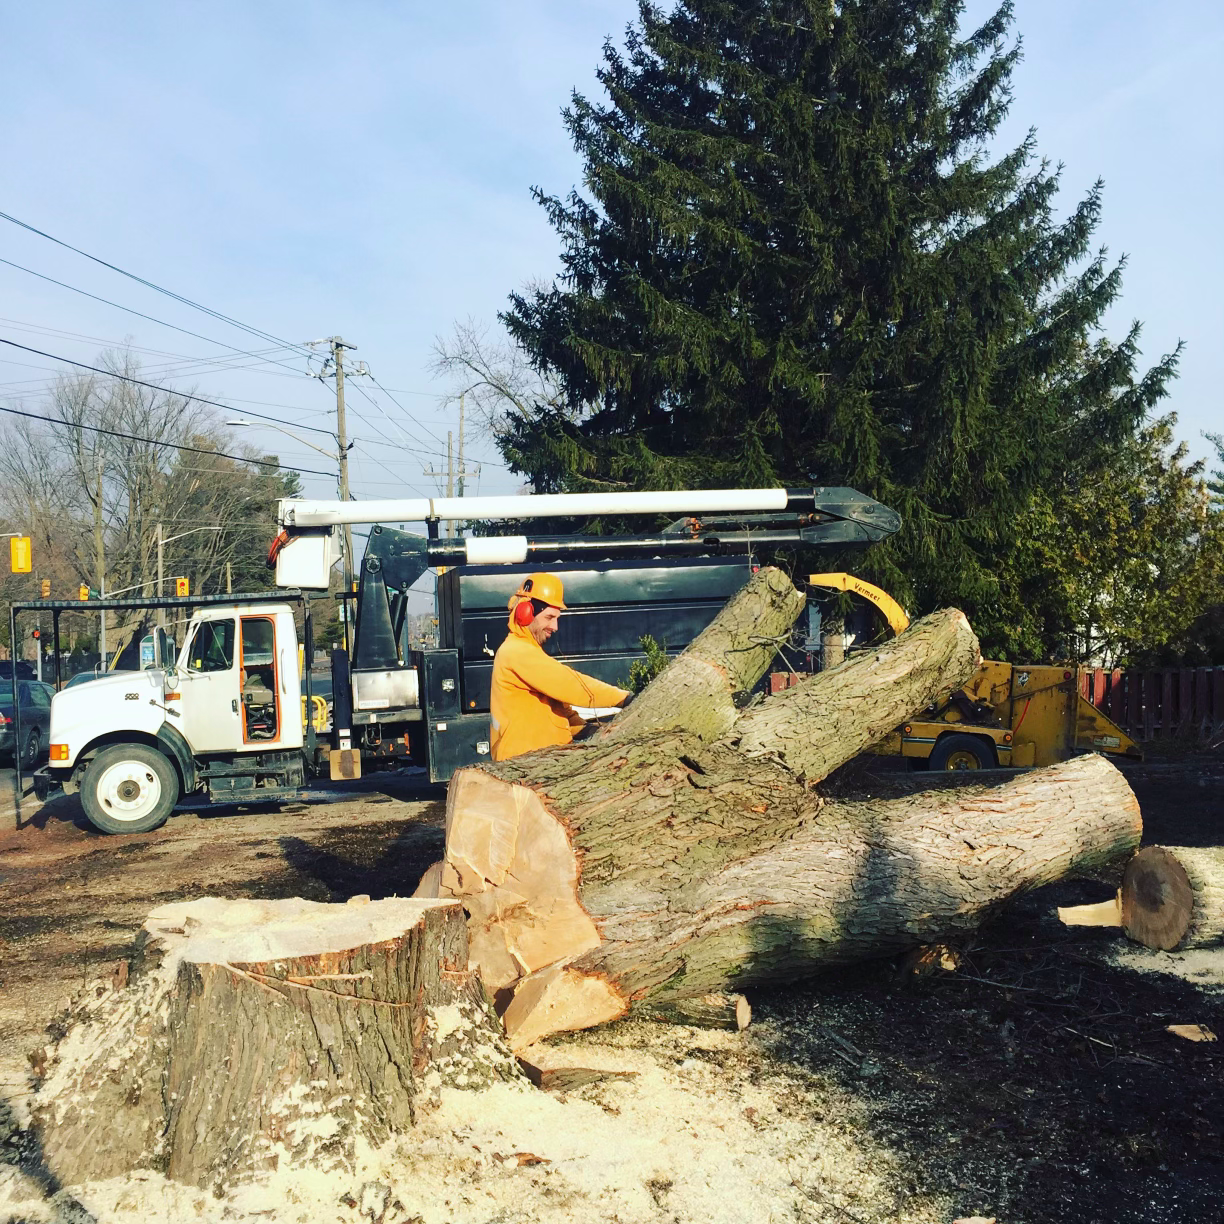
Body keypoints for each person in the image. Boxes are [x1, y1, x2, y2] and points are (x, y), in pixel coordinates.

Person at [489, 571, 631, 761]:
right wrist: (624, 698)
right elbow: (569, 684)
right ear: (525, 614)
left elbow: (555, 705)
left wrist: (584, 729)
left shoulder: (528, 651)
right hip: (523, 766)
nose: (555, 627)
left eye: (557, 618)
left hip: (538, 762)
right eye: (549, 617)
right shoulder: (515, 652)